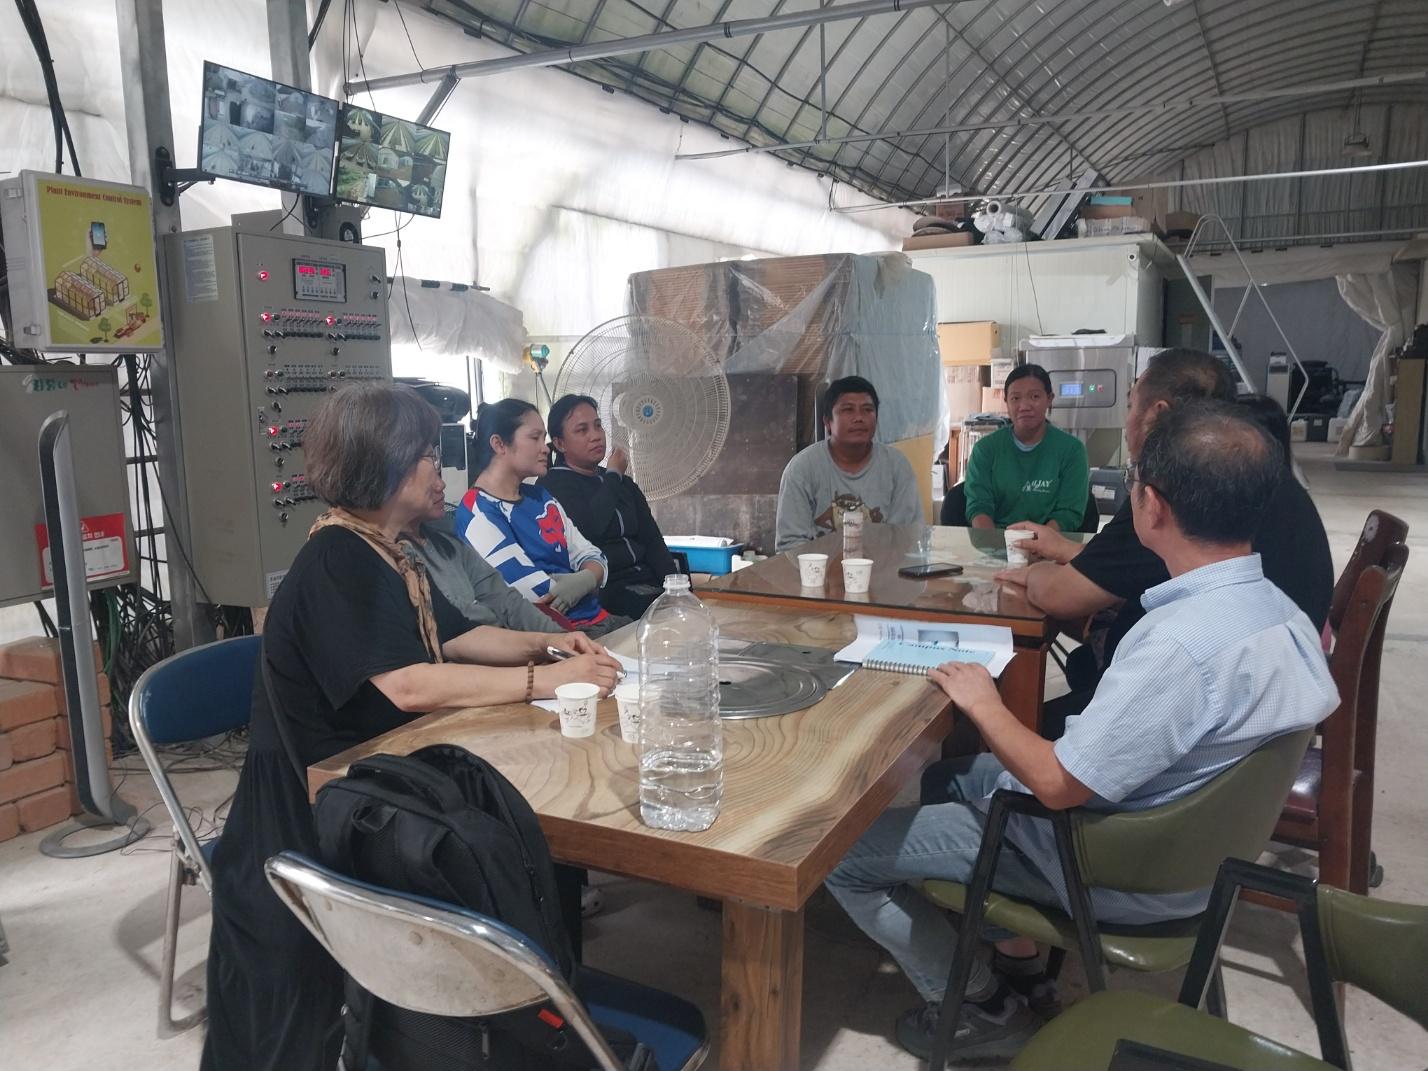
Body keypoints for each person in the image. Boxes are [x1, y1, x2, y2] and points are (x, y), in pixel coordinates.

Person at [825, 400, 1339, 1062]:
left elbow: (1057, 782)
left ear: (1152, 506)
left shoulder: (1180, 644)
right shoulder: (1281, 614)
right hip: (1200, 857)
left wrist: (984, 703)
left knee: (842, 856)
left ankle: (979, 1005)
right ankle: (1008, 949)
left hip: (1111, 862)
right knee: (949, 776)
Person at [202, 383, 622, 1071]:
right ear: (386, 466)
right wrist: (542, 682)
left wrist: (553, 646)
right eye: (427, 454)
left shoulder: (390, 550)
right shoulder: (338, 558)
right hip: (313, 810)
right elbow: (410, 683)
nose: (439, 469)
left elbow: (460, 637)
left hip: (379, 781)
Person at [998, 349, 1333, 735]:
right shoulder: (1249, 472)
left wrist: (1033, 573)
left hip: (1201, 713)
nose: (1126, 423)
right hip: (1266, 695)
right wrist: (1068, 550)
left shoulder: (1177, 491)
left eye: (1130, 406)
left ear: (1156, 414)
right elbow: (1137, 566)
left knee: (1010, 723)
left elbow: (1060, 596)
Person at [457, 399, 627, 635]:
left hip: (600, 619)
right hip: (559, 634)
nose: (545, 448)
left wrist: (586, 579)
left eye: (543, 437)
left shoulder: (541, 497)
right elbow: (532, 596)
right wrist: (587, 581)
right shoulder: (477, 511)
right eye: (534, 437)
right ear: (499, 444)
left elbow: (593, 555)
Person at [539, 393, 680, 619]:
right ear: (559, 443)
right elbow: (592, 528)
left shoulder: (624, 484)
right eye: (582, 430)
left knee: (682, 610)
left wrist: (677, 590)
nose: (596, 436)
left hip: (645, 579)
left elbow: (652, 541)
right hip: (603, 588)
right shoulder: (553, 485)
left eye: (598, 426)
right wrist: (613, 475)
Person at [774, 375, 922, 551]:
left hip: (883, 566)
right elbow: (791, 544)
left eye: (867, 410)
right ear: (827, 422)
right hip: (820, 568)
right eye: (848, 410)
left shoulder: (897, 467)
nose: (859, 418)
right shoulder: (801, 469)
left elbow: (906, 538)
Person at [962, 364, 1089, 530]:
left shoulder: (1072, 451)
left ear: (1049, 399)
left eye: (1034, 396)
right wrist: (992, 543)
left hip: (1051, 541)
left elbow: (1068, 513)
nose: (1024, 406)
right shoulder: (985, 449)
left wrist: (1041, 542)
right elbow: (979, 507)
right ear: (1006, 402)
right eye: (1015, 398)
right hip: (996, 541)